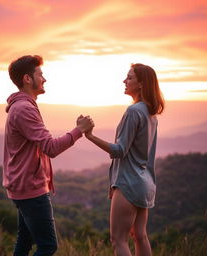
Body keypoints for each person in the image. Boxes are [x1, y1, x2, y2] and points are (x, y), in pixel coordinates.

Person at [3, 55, 94, 256]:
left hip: (23, 184)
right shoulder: (24, 109)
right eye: (40, 74)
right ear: (28, 79)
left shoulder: (23, 106)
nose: (44, 79)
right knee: (47, 246)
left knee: (25, 242)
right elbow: (50, 148)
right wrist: (79, 130)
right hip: (30, 188)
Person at [85, 63, 164, 256]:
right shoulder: (150, 114)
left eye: (129, 77)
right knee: (140, 236)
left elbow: (119, 150)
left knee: (118, 240)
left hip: (128, 183)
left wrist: (90, 135)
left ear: (142, 84)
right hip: (145, 184)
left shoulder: (134, 111)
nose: (124, 81)